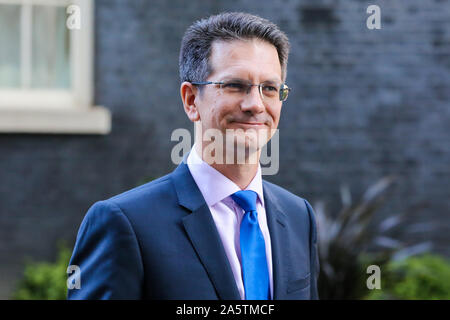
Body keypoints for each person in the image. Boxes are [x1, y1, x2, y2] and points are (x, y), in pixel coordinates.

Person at [67, 12, 319, 300]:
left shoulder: (300, 217)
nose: (256, 105)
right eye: (235, 85)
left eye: (270, 88)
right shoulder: (125, 223)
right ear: (191, 100)